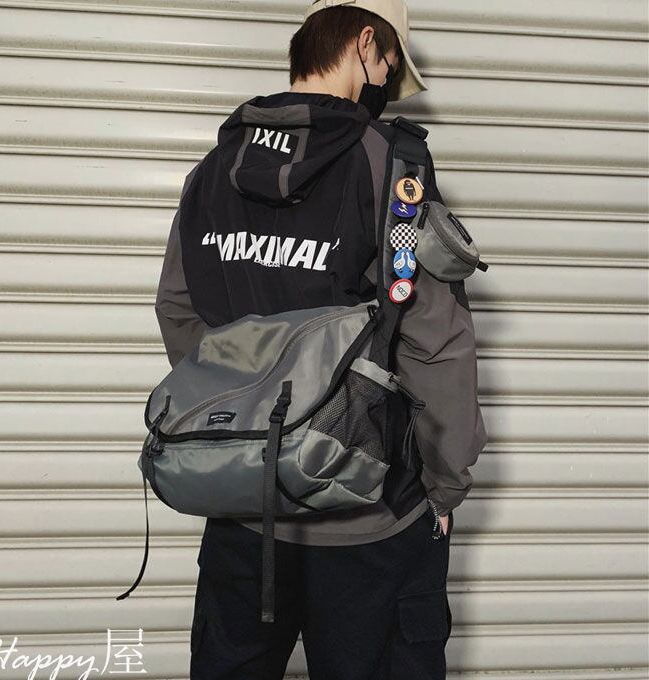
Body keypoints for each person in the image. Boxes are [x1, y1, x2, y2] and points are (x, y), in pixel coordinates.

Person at [154, 1, 488, 677]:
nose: (384, 84)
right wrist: (445, 486)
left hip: (246, 511)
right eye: (388, 65)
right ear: (365, 44)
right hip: (373, 523)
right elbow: (434, 341)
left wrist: (243, 428)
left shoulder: (213, 169)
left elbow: (180, 312)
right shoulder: (393, 171)